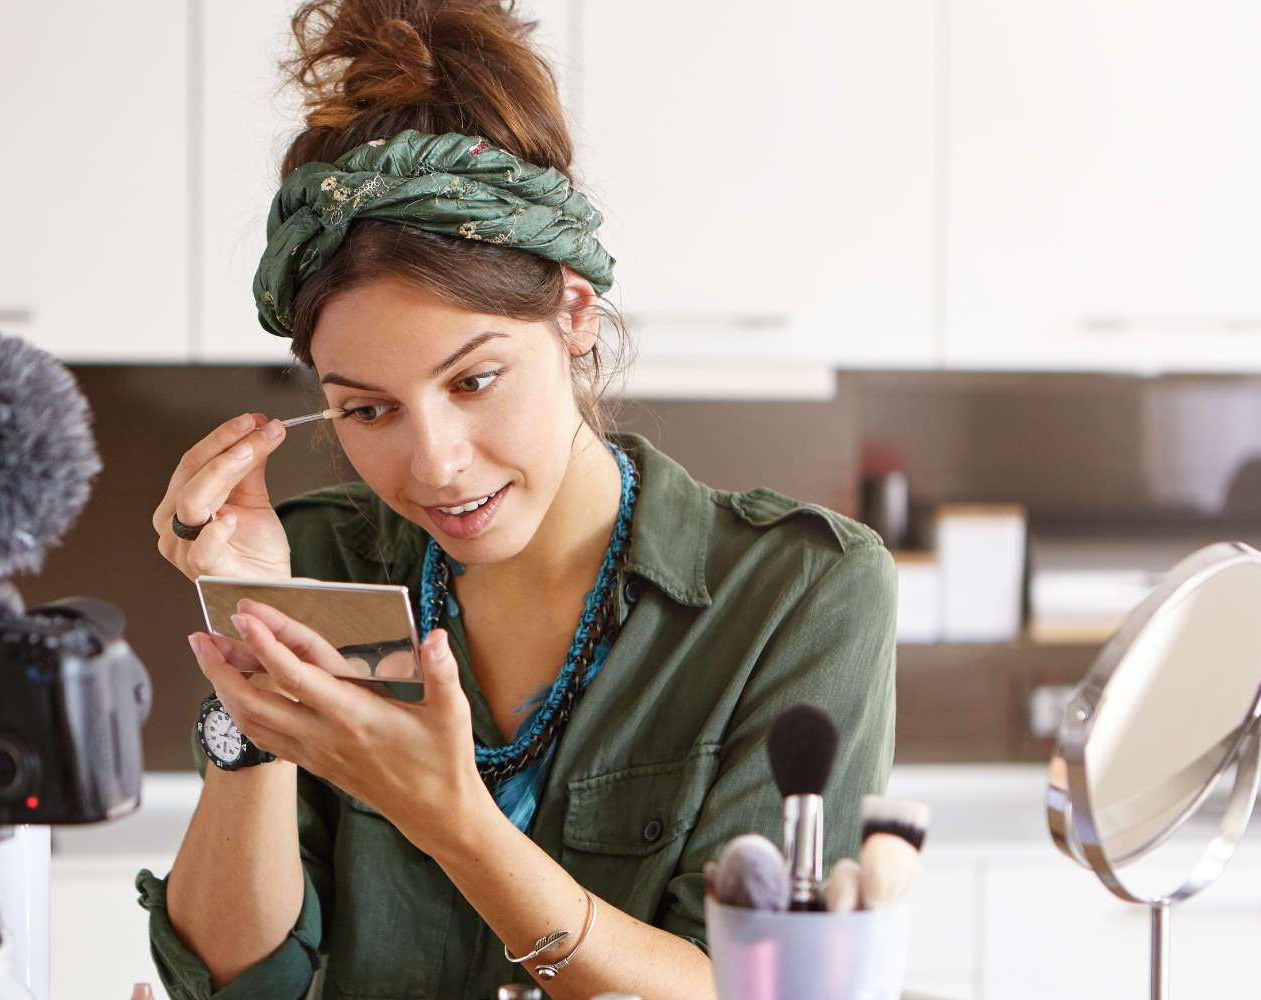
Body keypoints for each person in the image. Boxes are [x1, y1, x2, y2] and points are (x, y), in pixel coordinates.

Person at [137, 2, 896, 996]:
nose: (437, 465)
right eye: (367, 411)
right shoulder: (321, 562)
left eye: (474, 380)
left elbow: (752, 986)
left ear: (573, 311)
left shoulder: (797, 593)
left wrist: (453, 821)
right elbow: (237, 982)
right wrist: (255, 663)